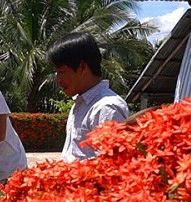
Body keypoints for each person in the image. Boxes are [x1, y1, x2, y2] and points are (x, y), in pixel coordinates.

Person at [47, 32, 129, 162]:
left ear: (83, 67)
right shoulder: (81, 104)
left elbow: (112, 164)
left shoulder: (106, 108)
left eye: (61, 72)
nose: (58, 79)